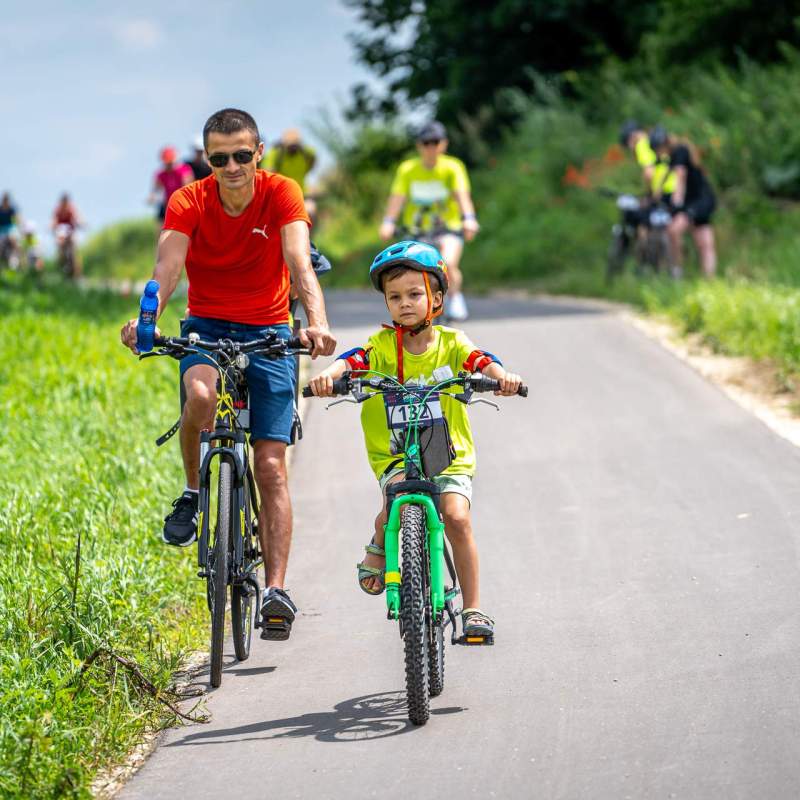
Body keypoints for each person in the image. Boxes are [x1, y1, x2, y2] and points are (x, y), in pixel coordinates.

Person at [120, 108, 336, 637]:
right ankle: (194, 492)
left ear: (258, 152)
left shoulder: (281, 191)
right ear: (207, 160)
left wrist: (318, 322)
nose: (233, 166)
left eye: (242, 154)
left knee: (270, 467)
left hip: (270, 332)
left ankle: (277, 590)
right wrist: (145, 320)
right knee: (198, 395)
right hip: (207, 328)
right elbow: (168, 267)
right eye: (220, 158)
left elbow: (298, 261)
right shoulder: (188, 200)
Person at [307, 240, 522, 640]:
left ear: (436, 297)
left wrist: (502, 375)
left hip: (448, 455)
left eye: (414, 294)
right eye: (394, 297)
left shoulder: (452, 343)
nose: (404, 303)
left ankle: (474, 609)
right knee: (392, 508)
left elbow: (481, 359)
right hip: (395, 454)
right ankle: (379, 537)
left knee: (456, 516)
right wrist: (328, 375)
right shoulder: (382, 346)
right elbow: (353, 358)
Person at [379, 121, 478, 322]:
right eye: (426, 142)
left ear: (444, 144)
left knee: (448, 262)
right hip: (416, 231)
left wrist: (469, 219)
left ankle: (455, 297)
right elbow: (397, 198)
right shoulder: (408, 169)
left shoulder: (452, 167)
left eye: (435, 142)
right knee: (411, 270)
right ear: (419, 145)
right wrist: (388, 221)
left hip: (447, 228)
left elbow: (462, 196)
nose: (431, 147)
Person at [650, 126, 718, 278]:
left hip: (699, 201)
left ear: (663, 145)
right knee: (705, 243)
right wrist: (657, 194)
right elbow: (668, 176)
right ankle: (708, 279)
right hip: (699, 200)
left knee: (674, 230)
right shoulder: (674, 155)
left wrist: (677, 202)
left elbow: (680, 176)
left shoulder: (679, 150)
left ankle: (677, 271)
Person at [259, 129, 317, 222]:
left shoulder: (305, 153)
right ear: (284, 144)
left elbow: (313, 158)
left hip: (302, 194)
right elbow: (266, 170)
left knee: (310, 211)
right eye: (290, 146)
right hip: (282, 195)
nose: (293, 149)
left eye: (295, 145)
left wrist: (307, 171)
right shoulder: (276, 153)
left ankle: (309, 236)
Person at [619, 119, 677, 199]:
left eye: (627, 143)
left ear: (631, 137)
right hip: (676, 183)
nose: (630, 148)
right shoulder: (652, 139)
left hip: (666, 189)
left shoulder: (641, 146)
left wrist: (648, 192)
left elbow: (649, 173)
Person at [149, 146, 192, 229]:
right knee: (160, 228)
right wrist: (152, 197)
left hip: (182, 204)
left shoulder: (183, 170)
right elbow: (155, 189)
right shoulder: (161, 174)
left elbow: (188, 186)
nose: (168, 165)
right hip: (167, 205)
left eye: (170, 162)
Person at [51, 193, 84, 277]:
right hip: (61, 232)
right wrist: (52, 226)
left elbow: (77, 218)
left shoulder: (71, 209)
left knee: (74, 249)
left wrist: (80, 223)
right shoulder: (57, 210)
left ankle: (77, 274)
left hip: (70, 231)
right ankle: (61, 262)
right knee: (60, 244)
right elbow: (54, 221)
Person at [0, 192, 20, 269]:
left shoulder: (12, 209)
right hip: (1, 230)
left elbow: (17, 220)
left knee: (13, 239)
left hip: (11, 228)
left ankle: (16, 255)